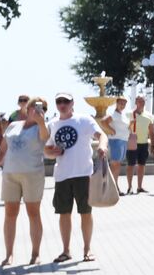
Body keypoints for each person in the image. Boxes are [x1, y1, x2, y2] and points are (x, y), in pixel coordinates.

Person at [44, 92, 108, 264]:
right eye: (59, 101)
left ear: (73, 103)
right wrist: (52, 152)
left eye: (66, 101)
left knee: (85, 212)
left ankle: (87, 250)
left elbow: (102, 135)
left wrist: (102, 147)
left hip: (83, 173)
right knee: (64, 213)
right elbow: (46, 150)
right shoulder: (52, 124)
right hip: (62, 175)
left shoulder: (84, 120)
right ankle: (66, 251)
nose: (62, 104)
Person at [0, 96, 49, 266]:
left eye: (43, 108)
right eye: (35, 108)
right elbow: (1, 151)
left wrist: (42, 122)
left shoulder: (42, 127)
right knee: (10, 214)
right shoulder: (13, 126)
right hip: (10, 175)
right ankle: (9, 254)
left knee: (33, 213)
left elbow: (45, 137)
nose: (38, 111)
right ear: (27, 109)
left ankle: (35, 253)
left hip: (32, 174)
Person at [125, 95, 154, 194]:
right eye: (139, 101)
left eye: (143, 101)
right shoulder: (129, 114)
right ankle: (129, 187)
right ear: (135, 102)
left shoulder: (149, 115)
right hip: (133, 143)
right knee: (131, 165)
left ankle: (139, 187)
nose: (142, 103)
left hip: (144, 143)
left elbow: (151, 132)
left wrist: (153, 145)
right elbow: (124, 128)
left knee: (142, 165)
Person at [100, 96, 130, 192]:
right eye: (121, 103)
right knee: (115, 164)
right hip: (116, 140)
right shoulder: (113, 114)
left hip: (123, 140)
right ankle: (113, 187)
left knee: (117, 164)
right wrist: (111, 130)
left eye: (124, 103)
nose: (122, 105)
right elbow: (103, 122)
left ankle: (114, 186)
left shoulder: (123, 115)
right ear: (116, 103)